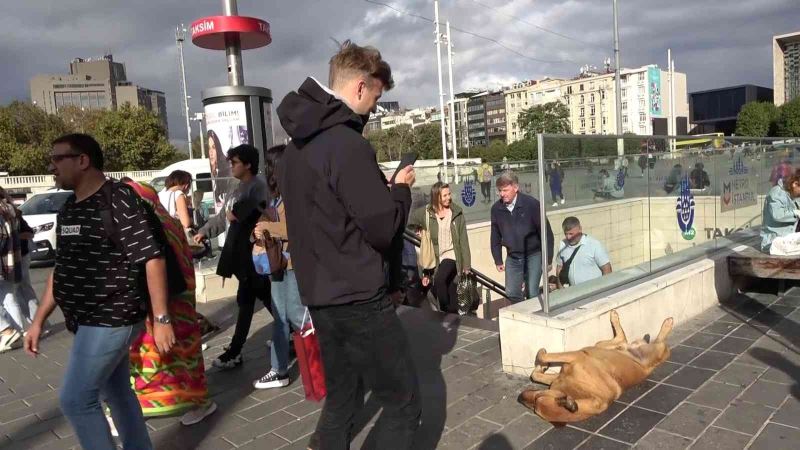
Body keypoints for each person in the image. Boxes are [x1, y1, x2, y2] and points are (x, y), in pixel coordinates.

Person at [276, 40, 421, 449]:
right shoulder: (347, 145)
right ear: (360, 87)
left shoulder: (293, 150)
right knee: (402, 405)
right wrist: (400, 191)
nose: (374, 108)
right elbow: (381, 229)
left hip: (319, 296)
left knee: (342, 398)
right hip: (360, 299)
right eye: (375, 97)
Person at [24, 133, 171, 450]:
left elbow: (152, 257)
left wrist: (162, 319)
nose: (51, 166)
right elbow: (60, 271)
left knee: (76, 399)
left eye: (57, 158)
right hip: (86, 320)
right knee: (115, 391)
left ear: (82, 160)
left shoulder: (117, 198)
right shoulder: (68, 209)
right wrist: (37, 322)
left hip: (113, 316)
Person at [123, 179, 218, 426]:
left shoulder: (148, 224)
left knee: (156, 353)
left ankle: (142, 405)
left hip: (165, 298)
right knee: (187, 350)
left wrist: (159, 313)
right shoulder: (167, 221)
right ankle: (199, 401)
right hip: (181, 295)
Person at [193, 144, 271, 370]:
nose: (231, 166)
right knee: (263, 298)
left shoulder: (258, 187)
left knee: (246, 302)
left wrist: (237, 213)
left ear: (247, 164)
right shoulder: (235, 189)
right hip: (239, 255)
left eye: (235, 162)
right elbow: (222, 218)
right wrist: (203, 232)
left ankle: (235, 351)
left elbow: (255, 214)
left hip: (251, 255)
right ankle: (294, 335)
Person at [250, 145, 306, 390]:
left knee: (297, 315)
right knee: (281, 319)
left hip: (291, 264)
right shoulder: (279, 196)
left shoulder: (294, 194)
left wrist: (266, 229)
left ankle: (326, 358)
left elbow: (296, 229)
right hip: (279, 264)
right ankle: (278, 369)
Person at [490, 171, 554, 303]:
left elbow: (546, 232)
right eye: (500, 191)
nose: (502, 194)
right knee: (512, 293)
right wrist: (498, 259)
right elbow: (495, 235)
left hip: (533, 255)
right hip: (513, 257)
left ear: (516, 188)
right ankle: (522, 314)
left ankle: (534, 318)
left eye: (505, 190)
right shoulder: (496, 209)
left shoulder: (532, 205)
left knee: (531, 291)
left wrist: (548, 259)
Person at [408, 182, 471, 314]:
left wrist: (466, 265)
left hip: (452, 255)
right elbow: (410, 220)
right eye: (445, 195)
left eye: (449, 194)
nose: (448, 197)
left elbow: (463, 240)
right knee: (448, 289)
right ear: (437, 197)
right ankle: (452, 315)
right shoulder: (428, 212)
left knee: (439, 280)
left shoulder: (457, 213)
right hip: (436, 257)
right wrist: (418, 227)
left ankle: (445, 312)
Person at [555, 217, 612, 288]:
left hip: (594, 291)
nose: (568, 237)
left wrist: (604, 290)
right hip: (573, 292)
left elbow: (607, 269)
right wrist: (561, 289)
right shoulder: (562, 246)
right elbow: (559, 267)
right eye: (566, 234)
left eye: (571, 234)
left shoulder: (594, 244)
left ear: (580, 229)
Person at [761, 168, 800, 254]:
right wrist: (795, 213)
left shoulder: (794, 194)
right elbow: (777, 215)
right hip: (774, 241)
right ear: (795, 184)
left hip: (789, 236)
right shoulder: (776, 193)